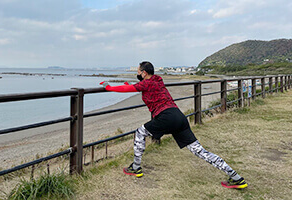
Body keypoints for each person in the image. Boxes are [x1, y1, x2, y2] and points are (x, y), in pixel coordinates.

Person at [100, 61, 248, 189]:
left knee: (140, 133)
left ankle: (136, 167)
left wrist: (109, 87)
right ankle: (235, 177)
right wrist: (129, 84)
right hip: (179, 116)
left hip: (166, 117)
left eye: (138, 72)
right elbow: (139, 86)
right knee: (199, 151)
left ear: (144, 73)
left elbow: (129, 89)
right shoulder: (158, 80)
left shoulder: (147, 83)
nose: (137, 74)